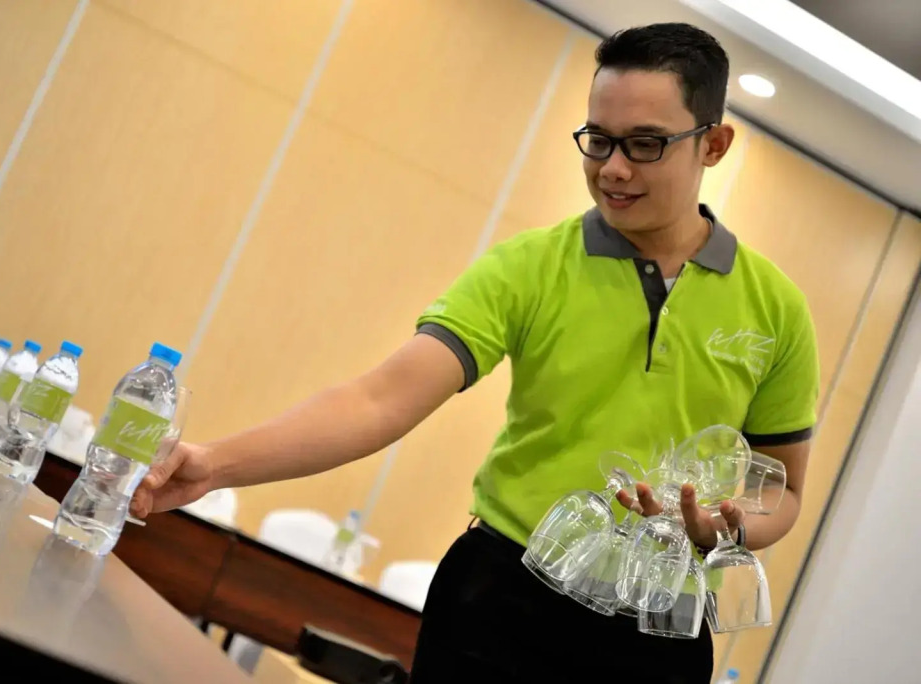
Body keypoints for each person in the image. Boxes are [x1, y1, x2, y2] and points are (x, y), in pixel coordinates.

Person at [131, 22, 818, 683]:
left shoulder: (775, 308)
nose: (612, 168)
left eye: (644, 144)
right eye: (598, 140)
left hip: (661, 623)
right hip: (503, 595)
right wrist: (215, 465)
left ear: (713, 145)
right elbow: (379, 400)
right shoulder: (529, 268)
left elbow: (781, 491)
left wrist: (726, 528)